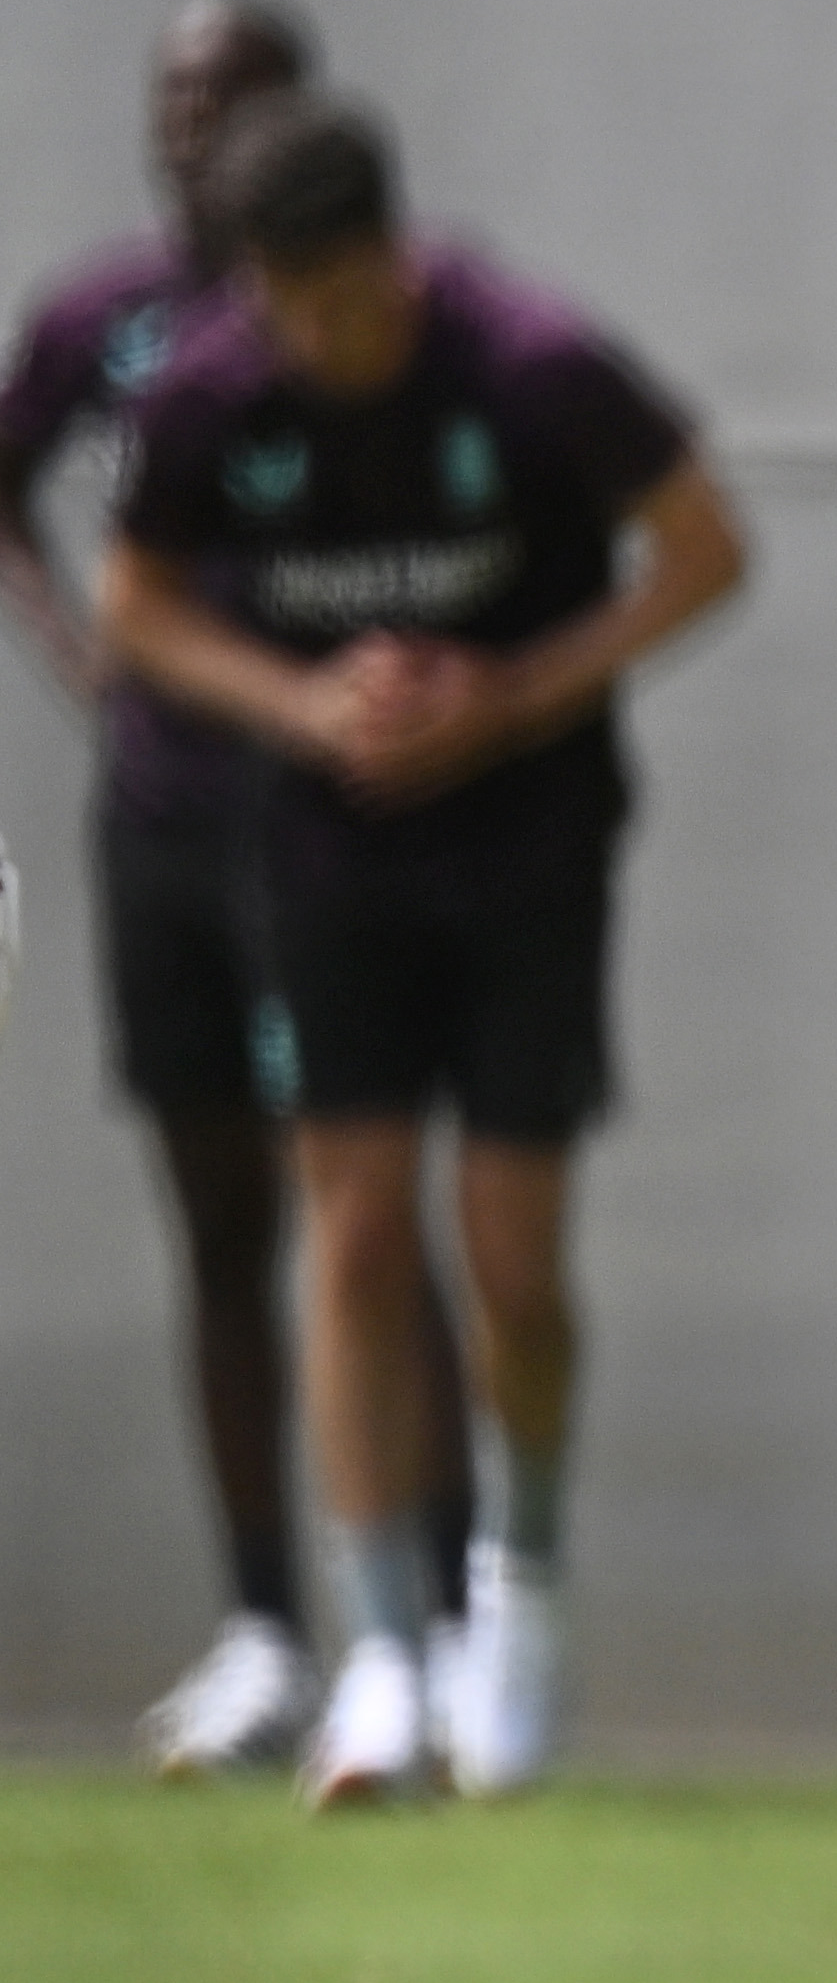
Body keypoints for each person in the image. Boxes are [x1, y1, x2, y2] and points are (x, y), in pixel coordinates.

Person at [97, 93, 748, 1809]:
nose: (317, 337)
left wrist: (511, 696)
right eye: (284, 306)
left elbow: (706, 549)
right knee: (359, 1231)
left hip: (530, 845)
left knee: (513, 1261)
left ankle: (516, 1593)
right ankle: (379, 1650)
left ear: (395, 254)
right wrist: (304, 707)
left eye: (341, 300)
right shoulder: (212, 396)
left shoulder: (530, 365)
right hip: (323, 853)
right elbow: (141, 606)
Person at [2, 0, 478, 1772]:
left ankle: (430, 1624)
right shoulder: (102, 322)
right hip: (162, 826)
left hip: (332, 833)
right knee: (220, 1223)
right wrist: (81, 653)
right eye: (178, 104)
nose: (200, 134)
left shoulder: (365, 328)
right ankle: (268, 1625)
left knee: (367, 1211)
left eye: (237, 101)